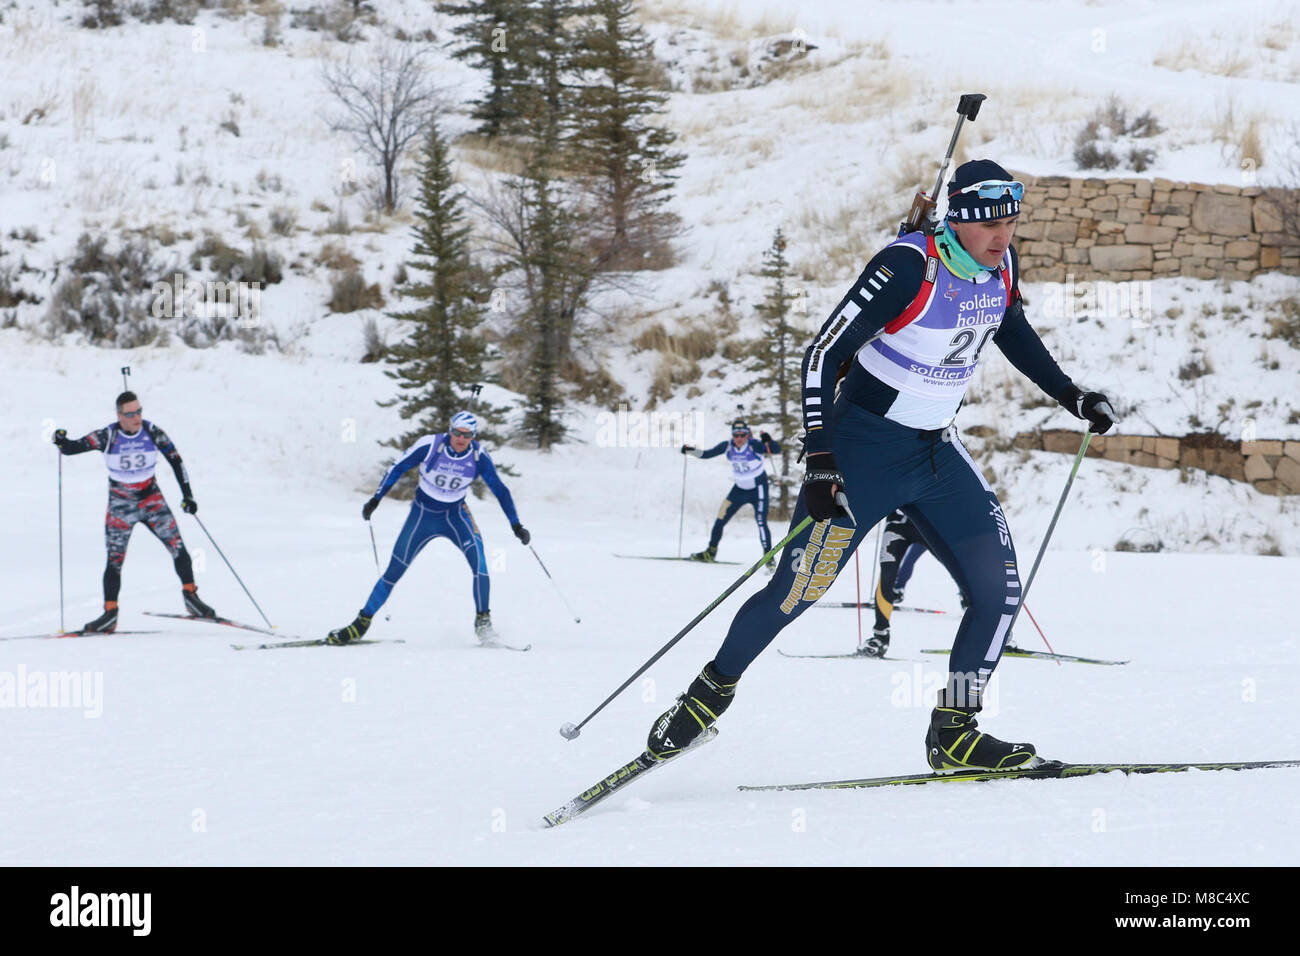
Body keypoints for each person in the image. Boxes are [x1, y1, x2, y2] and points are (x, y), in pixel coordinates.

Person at [644, 160, 1117, 773]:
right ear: (959, 219)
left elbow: (1012, 329)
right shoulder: (907, 266)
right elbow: (821, 354)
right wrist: (819, 459)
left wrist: (1071, 394)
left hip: (934, 452)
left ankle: (954, 732)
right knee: (795, 592)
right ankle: (702, 703)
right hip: (862, 450)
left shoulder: (1001, 268)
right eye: (989, 224)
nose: (1003, 236)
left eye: (1011, 222)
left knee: (998, 591)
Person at [327, 411, 529, 645]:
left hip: (456, 516)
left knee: (480, 565)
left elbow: (500, 490)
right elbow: (397, 467)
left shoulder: (478, 456)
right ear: (449, 430)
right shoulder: (430, 445)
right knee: (394, 571)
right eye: (457, 433)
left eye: (468, 435)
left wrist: (516, 525)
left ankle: (483, 622)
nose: (461, 439)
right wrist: (376, 499)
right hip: (422, 516)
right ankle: (360, 624)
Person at [53, 390, 216, 633]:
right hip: (122, 505)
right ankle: (109, 615)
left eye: (139, 411)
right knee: (114, 561)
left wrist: (187, 495)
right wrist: (61, 440)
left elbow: (176, 460)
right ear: (119, 415)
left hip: (152, 500)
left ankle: (192, 598)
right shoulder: (108, 435)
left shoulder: (152, 432)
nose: (136, 417)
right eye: (130, 414)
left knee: (178, 548)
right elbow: (71, 448)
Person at [863, 509, 968, 658]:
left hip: (930, 525)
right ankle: (880, 637)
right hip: (897, 525)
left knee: (960, 570)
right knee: (887, 574)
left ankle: (988, 629)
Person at [680, 420, 780, 566]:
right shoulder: (727, 446)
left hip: (758, 489)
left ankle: (768, 557)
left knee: (761, 522)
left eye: (742, 434)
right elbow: (707, 454)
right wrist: (691, 450)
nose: (739, 438)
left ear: (747, 435)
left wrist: (768, 440)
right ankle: (710, 552)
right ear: (732, 435)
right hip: (739, 490)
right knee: (720, 519)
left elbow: (775, 450)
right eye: (736, 435)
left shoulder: (754, 445)